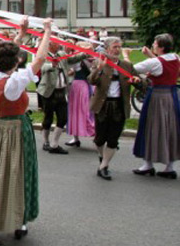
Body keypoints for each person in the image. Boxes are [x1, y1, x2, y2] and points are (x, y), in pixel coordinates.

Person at [0, 17, 53, 246]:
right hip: (14, 131)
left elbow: (4, 52)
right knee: (14, 175)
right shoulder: (13, 82)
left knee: (3, 175)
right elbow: (39, 58)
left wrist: (22, 32)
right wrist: (47, 31)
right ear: (17, 60)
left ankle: (16, 220)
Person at [88, 37, 138, 180]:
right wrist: (99, 69)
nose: (117, 50)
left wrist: (138, 82)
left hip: (119, 106)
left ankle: (103, 166)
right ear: (107, 49)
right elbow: (91, 80)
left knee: (113, 139)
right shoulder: (99, 63)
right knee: (99, 139)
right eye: (115, 47)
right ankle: (102, 157)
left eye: (119, 47)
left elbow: (140, 82)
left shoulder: (127, 66)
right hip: (102, 105)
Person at [131, 34, 180, 179]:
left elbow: (132, 69)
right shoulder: (176, 58)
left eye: (155, 43)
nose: (153, 44)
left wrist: (125, 55)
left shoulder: (155, 62)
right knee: (170, 128)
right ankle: (169, 166)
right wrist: (151, 55)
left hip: (157, 97)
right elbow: (162, 64)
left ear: (161, 47)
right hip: (171, 96)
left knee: (151, 127)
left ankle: (148, 164)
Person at [38, 41, 87, 154]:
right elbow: (42, 67)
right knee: (48, 118)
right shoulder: (43, 55)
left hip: (61, 91)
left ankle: (54, 144)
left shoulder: (61, 54)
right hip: (48, 92)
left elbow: (72, 59)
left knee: (63, 117)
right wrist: (52, 65)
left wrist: (85, 53)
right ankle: (46, 142)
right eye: (56, 43)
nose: (59, 44)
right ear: (49, 45)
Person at [65, 41, 96, 148]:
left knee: (85, 110)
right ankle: (76, 137)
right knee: (76, 110)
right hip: (79, 86)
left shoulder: (90, 59)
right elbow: (72, 64)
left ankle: (94, 135)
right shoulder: (76, 58)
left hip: (83, 86)